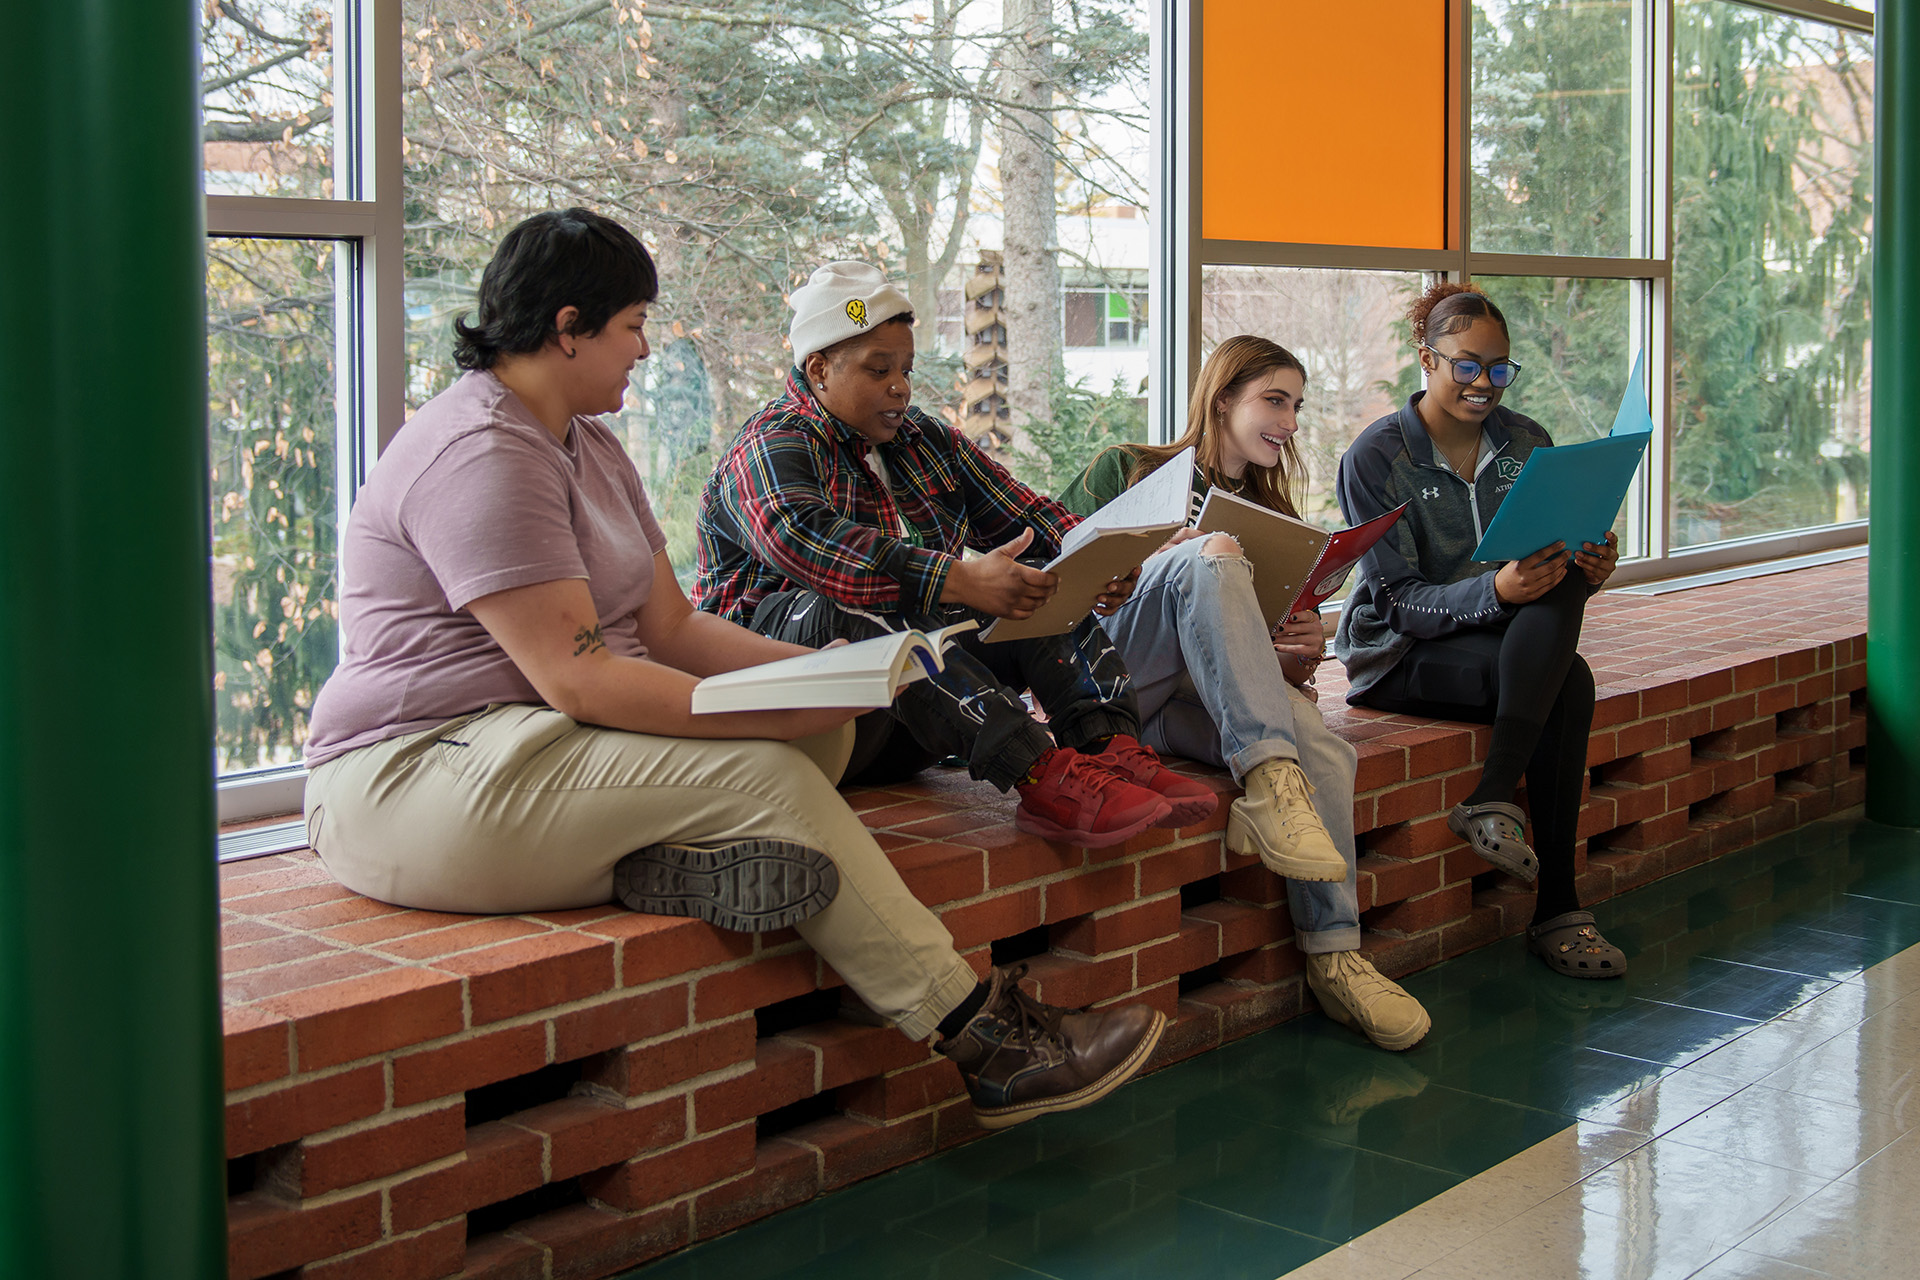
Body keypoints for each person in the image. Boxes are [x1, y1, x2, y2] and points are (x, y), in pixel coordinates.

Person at [300, 209, 1166, 1127]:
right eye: (631, 323)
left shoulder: (585, 444)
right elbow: (581, 677)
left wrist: (820, 678)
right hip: (415, 771)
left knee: (828, 735)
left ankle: (675, 855)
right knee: (771, 779)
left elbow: (670, 626)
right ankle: (990, 1042)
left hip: (539, 746)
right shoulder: (481, 451)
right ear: (566, 328)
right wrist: (763, 715)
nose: (642, 347)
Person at [694, 261, 1215, 848]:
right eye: (878, 370)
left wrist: (1096, 559)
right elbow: (810, 544)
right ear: (818, 370)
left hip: (919, 712)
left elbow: (1031, 516)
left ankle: (1108, 752)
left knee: (1031, 580)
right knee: (864, 592)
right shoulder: (771, 443)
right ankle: (1040, 775)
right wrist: (959, 580)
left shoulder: (924, 439)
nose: (901, 386)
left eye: (907, 369)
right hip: (794, 711)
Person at [1058, 336, 1432, 1052]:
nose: (1289, 422)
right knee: (1207, 554)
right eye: (1274, 400)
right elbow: (1055, 584)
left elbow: (1260, 663)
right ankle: (1272, 785)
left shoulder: (1273, 512)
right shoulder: (1129, 467)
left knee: (1320, 748)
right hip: (1113, 685)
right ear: (1223, 397)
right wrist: (1163, 564)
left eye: (1297, 406)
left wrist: (1297, 649)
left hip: (1193, 709)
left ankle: (1335, 956)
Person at [1334, 282, 1626, 979]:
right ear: (1426, 358)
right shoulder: (1377, 457)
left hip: (1504, 641)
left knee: (1564, 590)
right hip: (1401, 654)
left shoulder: (1528, 442)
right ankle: (1558, 906)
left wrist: (1592, 559)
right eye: (1467, 365)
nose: (1484, 384)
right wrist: (1498, 590)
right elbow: (1397, 602)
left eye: (1499, 368)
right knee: (1569, 681)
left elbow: (1546, 566)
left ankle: (1494, 801)